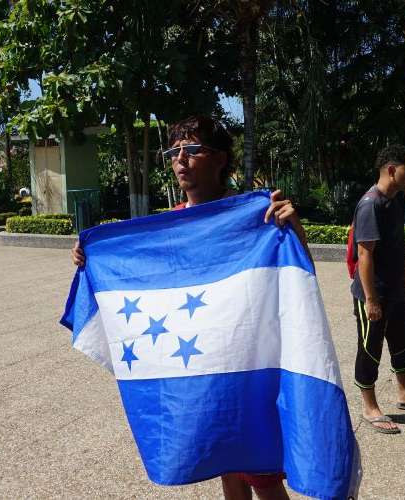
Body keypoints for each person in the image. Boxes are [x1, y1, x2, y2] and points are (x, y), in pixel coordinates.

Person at [72, 116, 307, 500]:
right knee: (226, 465)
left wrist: (292, 229)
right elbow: (143, 273)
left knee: (263, 476)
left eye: (193, 150)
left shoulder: (256, 217)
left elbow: (297, 278)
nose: (180, 159)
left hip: (247, 363)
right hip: (203, 364)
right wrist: (92, 257)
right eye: (174, 151)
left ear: (221, 159)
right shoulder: (173, 225)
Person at [350, 145, 405, 435]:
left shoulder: (396, 199)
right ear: (391, 170)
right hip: (373, 292)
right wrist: (371, 300)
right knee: (370, 348)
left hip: (395, 289)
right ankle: (369, 407)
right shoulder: (370, 204)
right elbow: (365, 255)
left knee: (403, 342)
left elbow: (393, 241)